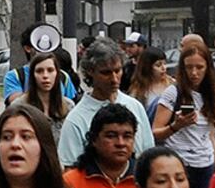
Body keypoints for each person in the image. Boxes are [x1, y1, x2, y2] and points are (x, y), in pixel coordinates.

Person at [152, 35, 215, 188]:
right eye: (189, 68)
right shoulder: (173, 93)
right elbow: (155, 132)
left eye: (199, 67)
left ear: (207, 68)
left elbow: (211, 137)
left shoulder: (212, 94)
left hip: (205, 166)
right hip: (179, 166)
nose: (194, 73)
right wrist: (176, 126)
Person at [56, 37, 155, 167]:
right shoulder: (76, 119)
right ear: (91, 72)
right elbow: (69, 168)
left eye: (117, 70)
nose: (114, 79)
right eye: (106, 73)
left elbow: (148, 154)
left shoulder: (135, 107)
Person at [62, 104, 143, 188]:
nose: (120, 143)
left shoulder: (146, 180)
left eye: (127, 136)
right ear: (94, 140)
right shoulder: (71, 183)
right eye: (111, 136)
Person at [15, 50, 74, 131]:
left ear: (57, 73)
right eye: (39, 71)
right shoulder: (19, 106)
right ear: (32, 75)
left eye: (50, 70)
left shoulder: (69, 106)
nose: (45, 76)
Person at [127, 47, 171, 116]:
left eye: (164, 64)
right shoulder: (138, 92)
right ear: (147, 68)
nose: (164, 68)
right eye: (158, 65)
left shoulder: (172, 84)